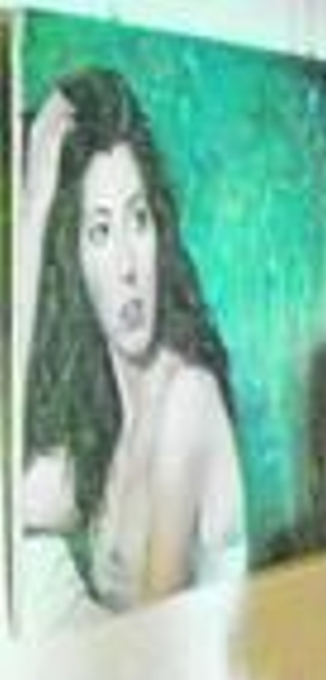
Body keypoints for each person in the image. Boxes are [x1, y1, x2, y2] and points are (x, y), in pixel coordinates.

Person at [18, 67, 245, 624]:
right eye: (99, 232)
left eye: (137, 219)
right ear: (71, 263)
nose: (126, 265)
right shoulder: (105, 434)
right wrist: (34, 215)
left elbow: (152, 645)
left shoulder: (188, 399)